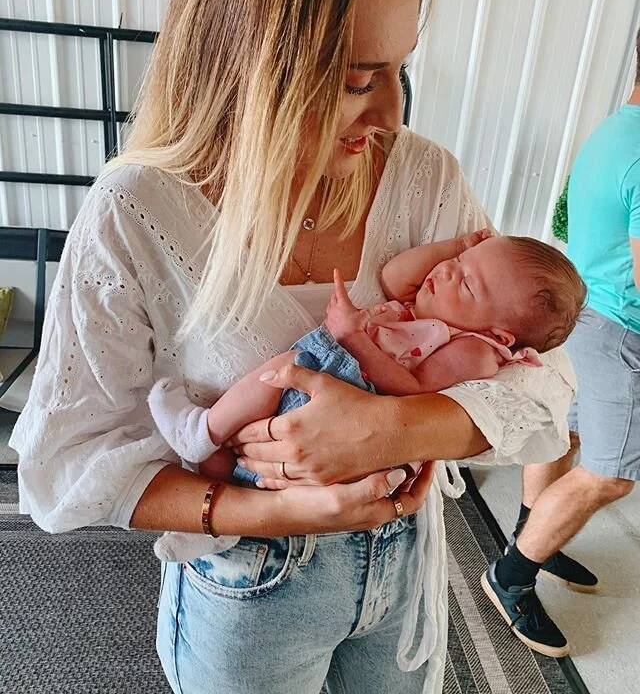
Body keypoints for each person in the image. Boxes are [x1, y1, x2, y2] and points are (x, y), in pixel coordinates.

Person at [9, 0, 576, 692]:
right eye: (355, 79)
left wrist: (393, 429)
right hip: (249, 590)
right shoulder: (137, 214)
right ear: (241, 61)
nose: (390, 113)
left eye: (400, 69)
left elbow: (547, 388)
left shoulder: (424, 179)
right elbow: (67, 465)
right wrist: (270, 512)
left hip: (405, 571)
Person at [149, 230, 585, 560]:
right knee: (244, 437)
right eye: (458, 262)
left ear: (499, 334)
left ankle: (201, 434)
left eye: (468, 284)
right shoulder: (431, 305)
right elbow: (394, 276)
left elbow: (411, 390)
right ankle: (207, 496)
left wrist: (352, 338)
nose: (448, 271)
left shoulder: (474, 350)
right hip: (336, 389)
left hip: (354, 397)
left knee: (285, 370)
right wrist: (456, 247)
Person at [482, 29, 640, 659]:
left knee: (563, 434)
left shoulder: (615, 131)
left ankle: (534, 539)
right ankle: (512, 575)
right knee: (610, 477)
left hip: (587, 311)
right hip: (620, 331)